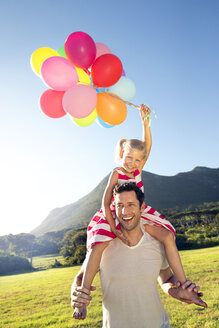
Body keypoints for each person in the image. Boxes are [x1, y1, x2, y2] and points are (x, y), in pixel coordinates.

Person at [73, 104, 186, 319]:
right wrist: (113, 228)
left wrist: (145, 123)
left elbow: (148, 145)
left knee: (168, 235)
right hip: (112, 214)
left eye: (137, 159)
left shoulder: (138, 170)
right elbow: (106, 203)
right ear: (120, 154)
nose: (133, 163)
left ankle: (183, 281)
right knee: (97, 247)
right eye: (128, 158)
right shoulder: (116, 173)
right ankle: (83, 297)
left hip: (139, 212)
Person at [71, 183, 207, 327]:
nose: (125, 211)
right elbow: (80, 278)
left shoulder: (156, 242)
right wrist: (77, 297)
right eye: (120, 205)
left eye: (131, 204)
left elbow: (166, 278)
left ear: (142, 207)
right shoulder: (102, 244)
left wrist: (178, 292)